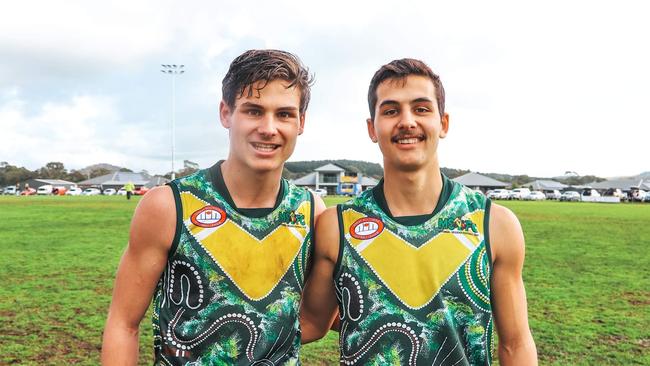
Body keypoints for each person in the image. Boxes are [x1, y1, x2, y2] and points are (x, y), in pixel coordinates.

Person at [300, 59, 537, 365]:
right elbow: (311, 323)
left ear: (444, 123)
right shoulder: (337, 226)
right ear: (372, 128)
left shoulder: (495, 224)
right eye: (390, 110)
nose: (407, 121)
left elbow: (516, 344)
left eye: (421, 108)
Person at [102, 49, 325, 365]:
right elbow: (123, 323)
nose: (269, 128)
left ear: (301, 122)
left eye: (285, 114)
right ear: (226, 113)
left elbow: (316, 320)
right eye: (253, 111)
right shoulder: (168, 206)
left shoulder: (311, 211)